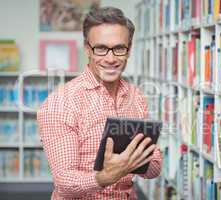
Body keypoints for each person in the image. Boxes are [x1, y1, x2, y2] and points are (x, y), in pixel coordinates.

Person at [37, 6, 163, 200]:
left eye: (119, 48)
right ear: (88, 49)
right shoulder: (59, 103)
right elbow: (64, 183)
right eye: (101, 48)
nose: (111, 59)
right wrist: (105, 177)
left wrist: (139, 161)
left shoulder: (136, 96)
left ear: (128, 50)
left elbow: (153, 169)